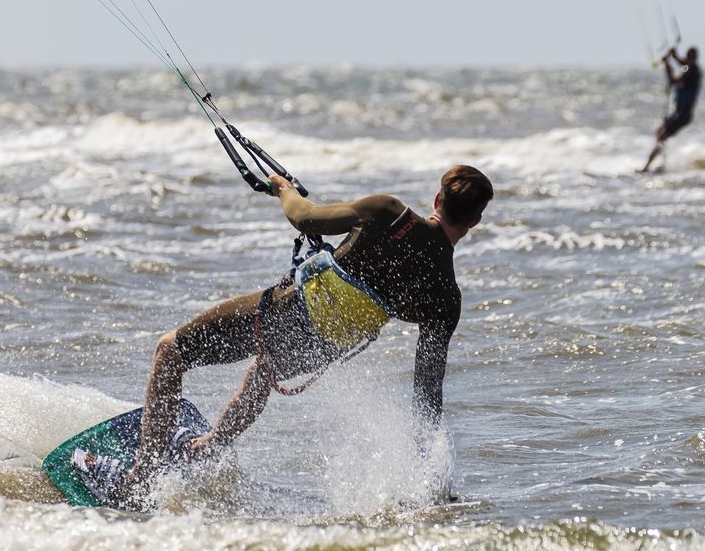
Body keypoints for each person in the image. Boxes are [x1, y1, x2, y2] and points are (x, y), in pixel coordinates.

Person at [74, 165, 494, 508]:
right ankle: (206, 448)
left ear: (437, 200)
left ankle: (138, 481)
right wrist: (432, 480)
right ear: (475, 220)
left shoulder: (389, 212)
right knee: (265, 369)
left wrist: (284, 189)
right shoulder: (445, 296)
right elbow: (427, 391)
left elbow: (304, 217)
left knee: (170, 351)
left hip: (282, 315)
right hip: (323, 345)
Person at [640, 45, 701, 173]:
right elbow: (683, 64)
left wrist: (668, 64)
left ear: (693, 58)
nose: (686, 59)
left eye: (688, 58)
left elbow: (674, 80)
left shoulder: (691, 71)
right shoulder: (689, 67)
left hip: (683, 116)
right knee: (659, 132)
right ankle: (663, 162)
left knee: (662, 137)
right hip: (678, 113)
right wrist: (674, 56)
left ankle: (646, 167)